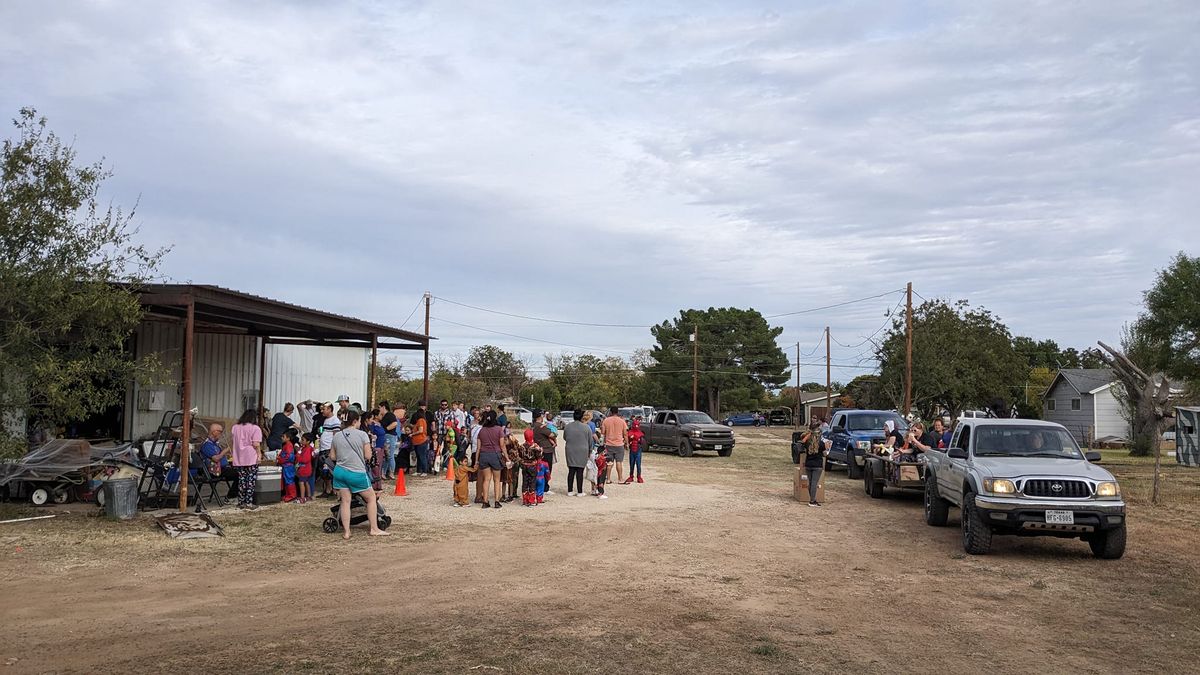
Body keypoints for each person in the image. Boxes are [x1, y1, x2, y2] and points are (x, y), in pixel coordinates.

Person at [330, 410, 390, 540]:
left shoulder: (337, 436)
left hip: (340, 471)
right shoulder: (362, 435)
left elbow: (332, 456)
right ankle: (374, 528)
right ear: (355, 421)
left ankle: (346, 532)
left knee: (345, 501)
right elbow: (368, 455)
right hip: (356, 472)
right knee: (371, 498)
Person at [230, 409, 265, 510]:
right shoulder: (255, 428)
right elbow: (256, 444)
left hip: (239, 457)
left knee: (241, 480)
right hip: (251, 457)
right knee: (250, 480)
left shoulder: (235, 427)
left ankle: (241, 501)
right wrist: (259, 454)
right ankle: (249, 502)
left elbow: (233, 440)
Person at [474, 411, 505, 509]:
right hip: (495, 455)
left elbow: (478, 448)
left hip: (484, 455)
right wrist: (507, 458)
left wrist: (476, 461)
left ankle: (485, 501)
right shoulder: (499, 429)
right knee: (497, 480)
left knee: (486, 479)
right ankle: (496, 501)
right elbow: (502, 445)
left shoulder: (482, 430)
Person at [199, 422, 237, 500]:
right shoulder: (207, 445)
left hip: (223, 468)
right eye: (220, 432)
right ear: (214, 432)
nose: (221, 434)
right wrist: (226, 450)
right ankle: (231, 497)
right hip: (215, 470)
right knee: (239, 474)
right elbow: (216, 458)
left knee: (241, 471)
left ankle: (236, 495)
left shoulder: (215, 444)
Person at [799, 421, 827, 507]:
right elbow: (825, 454)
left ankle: (812, 499)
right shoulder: (821, 444)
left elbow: (802, 442)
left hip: (808, 464)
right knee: (814, 483)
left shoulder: (807, 443)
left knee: (810, 483)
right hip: (817, 465)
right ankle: (812, 501)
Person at [564, 410, 591, 497]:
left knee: (571, 470)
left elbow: (565, 437)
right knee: (580, 471)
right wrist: (590, 451)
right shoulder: (586, 427)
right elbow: (590, 441)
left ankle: (570, 490)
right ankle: (580, 491)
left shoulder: (567, 426)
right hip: (582, 450)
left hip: (570, 449)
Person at [318, 402, 340, 497]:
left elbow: (336, 435)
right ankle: (327, 489)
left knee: (330, 469)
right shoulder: (326, 420)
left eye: (324, 409)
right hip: (323, 447)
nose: (322, 411)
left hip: (328, 448)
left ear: (330, 409)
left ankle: (334, 490)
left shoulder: (335, 420)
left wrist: (333, 449)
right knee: (323, 470)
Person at [601, 406, 628, 485]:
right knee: (619, 462)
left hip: (609, 444)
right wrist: (626, 443)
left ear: (610, 412)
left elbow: (603, 432)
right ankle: (620, 479)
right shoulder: (622, 421)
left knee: (609, 462)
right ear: (617, 412)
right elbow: (625, 434)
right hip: (619, 444)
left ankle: (608, 479)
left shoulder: (606, 421)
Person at [532, 410, 557, 495]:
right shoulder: (541, 427)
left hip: (538, 449)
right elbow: (552, 435)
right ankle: (545, 487)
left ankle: (537, 486)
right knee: (547, 469)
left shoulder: (533, 426)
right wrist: (553, 430)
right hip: (546, 450)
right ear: (539, 417)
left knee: (538, 469)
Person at [366, 410, 387, 492]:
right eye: (380, 415)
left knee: (380, 465)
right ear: (375, 416)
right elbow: (370, 433)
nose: (381, 416)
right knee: (375, 466)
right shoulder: (373, 425)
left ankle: (379, 483)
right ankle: (374, 484)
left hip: (381, 446)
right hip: (376, 447)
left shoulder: (379, 424)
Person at [410, 401, 431, 476]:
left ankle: (424, 471)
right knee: (418, 456)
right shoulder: (420, 421)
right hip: (417, 441)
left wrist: (412, 434)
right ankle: (418, 470)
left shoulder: (421, 420)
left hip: (421, 440)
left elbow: (421, 430)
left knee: (422, 456)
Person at [379, 401, 399, 480]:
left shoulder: (390, 415)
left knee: (390, 455)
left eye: (379, 407)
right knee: (387, 455)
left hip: (390, 436)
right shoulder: (383, 416)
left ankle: (391, 472)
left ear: (383, 407)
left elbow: (395, 423)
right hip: (386, 436)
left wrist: (386, 429)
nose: (379, 409)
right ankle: (384, 472)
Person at [623, 418, 645, 484]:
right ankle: (631, 476)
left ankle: (639, 476)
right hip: (632, 450)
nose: (636, 426)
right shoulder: (630, 432)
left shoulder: (640, 434)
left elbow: (642, 442)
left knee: (638, 464)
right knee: (632, 464)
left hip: (638, 449)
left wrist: (638, 440)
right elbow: (627, 439)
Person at [279, 429, 298, 503]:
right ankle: (288, 494)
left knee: (289, 480)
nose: (282, 438)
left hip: (288, 466)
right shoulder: (286, 445)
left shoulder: (289, 445)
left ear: (288, 438)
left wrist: (280, 460)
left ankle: (292, 495)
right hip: (285, 465)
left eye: (283, 437)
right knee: (287, 481)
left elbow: (289, 457)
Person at [296, 432, 316, 504]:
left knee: (301, 483)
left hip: (304, 469)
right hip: (306, 468)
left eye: (303, 440)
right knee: (306, 482)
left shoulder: (307, 449)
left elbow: (305, 459)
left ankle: (302, 497)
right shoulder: (307, 448)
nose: (301, 441)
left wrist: (298, 455)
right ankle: (309, 495)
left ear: (308, 441)